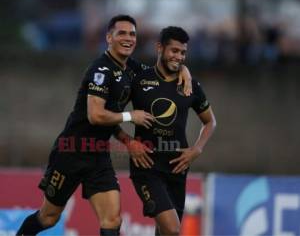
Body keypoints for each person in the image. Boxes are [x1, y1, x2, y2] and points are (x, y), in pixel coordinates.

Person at [16, 15, 192, 236]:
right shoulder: (100, 70)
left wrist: (183, 70)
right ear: (109, 38)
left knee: (112, 220)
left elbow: (161, 74)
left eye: (132, 34)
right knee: (49, 217)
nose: (128, 38)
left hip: (98, 155)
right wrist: (131, 116)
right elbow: (96, 116)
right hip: (70, 151)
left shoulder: (132, 69)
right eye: (122, 33)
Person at [115, 26, 216, 235]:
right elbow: (110, 117)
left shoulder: (190, 86)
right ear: (159, 48)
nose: (178, 57)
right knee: (172, 229)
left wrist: (197, 149)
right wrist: (128, 142)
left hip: (177, 168)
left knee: (165, 232)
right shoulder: (139, 80)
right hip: (147, 168)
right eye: (174, 51)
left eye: (183, 53)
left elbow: (210, 122)